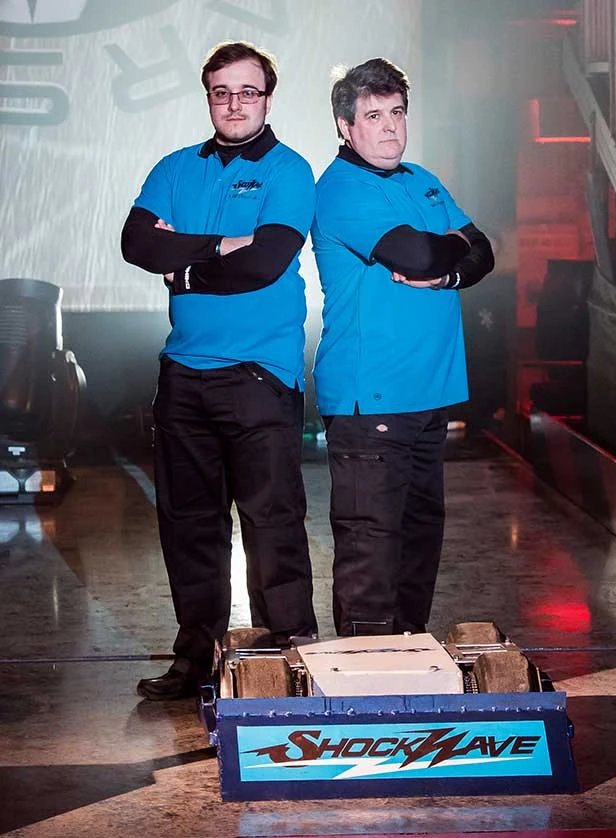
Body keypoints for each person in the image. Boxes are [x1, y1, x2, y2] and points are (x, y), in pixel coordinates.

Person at [121, 40, 317, 700]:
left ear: (268, 99)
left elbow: (265, 262)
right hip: (183, 376)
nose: (234, 104)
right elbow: (136, 243)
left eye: (247, 92)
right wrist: (221, 245)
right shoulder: (176, 167)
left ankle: (289, 659)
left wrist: (182, 265)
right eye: (221, 92)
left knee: (273, 523)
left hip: (259, 375)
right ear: (208, 98)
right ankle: (196, 659)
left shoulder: (289, 170)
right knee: (189, 525)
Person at [311, 57, 494, 638]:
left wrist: (448, 267)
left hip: (428, 395)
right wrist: (449, 245)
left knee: (418, 544)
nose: (390, 126)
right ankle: (366, 671)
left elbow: (484, 251)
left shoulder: (422, 180)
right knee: (373, 550)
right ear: (345, 126)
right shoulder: (340, 189)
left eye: (397, 112)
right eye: (373, 116)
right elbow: (415, 255)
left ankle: (409, 659)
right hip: (372, 401)